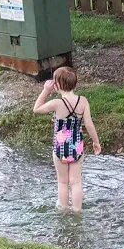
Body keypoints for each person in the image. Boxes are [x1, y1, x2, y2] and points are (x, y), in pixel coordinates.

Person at [32, 66, 101, 212]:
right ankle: (77, 211)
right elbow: (88, 124)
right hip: (77, 147)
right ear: (74, 83)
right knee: (76, 182)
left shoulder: (57, 103)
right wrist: (96, 141)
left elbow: (36, 109)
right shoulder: (83, 101)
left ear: (56, 85)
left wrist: (45, 90)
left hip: (60, 148)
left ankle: (63, 210)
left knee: (62, 182)